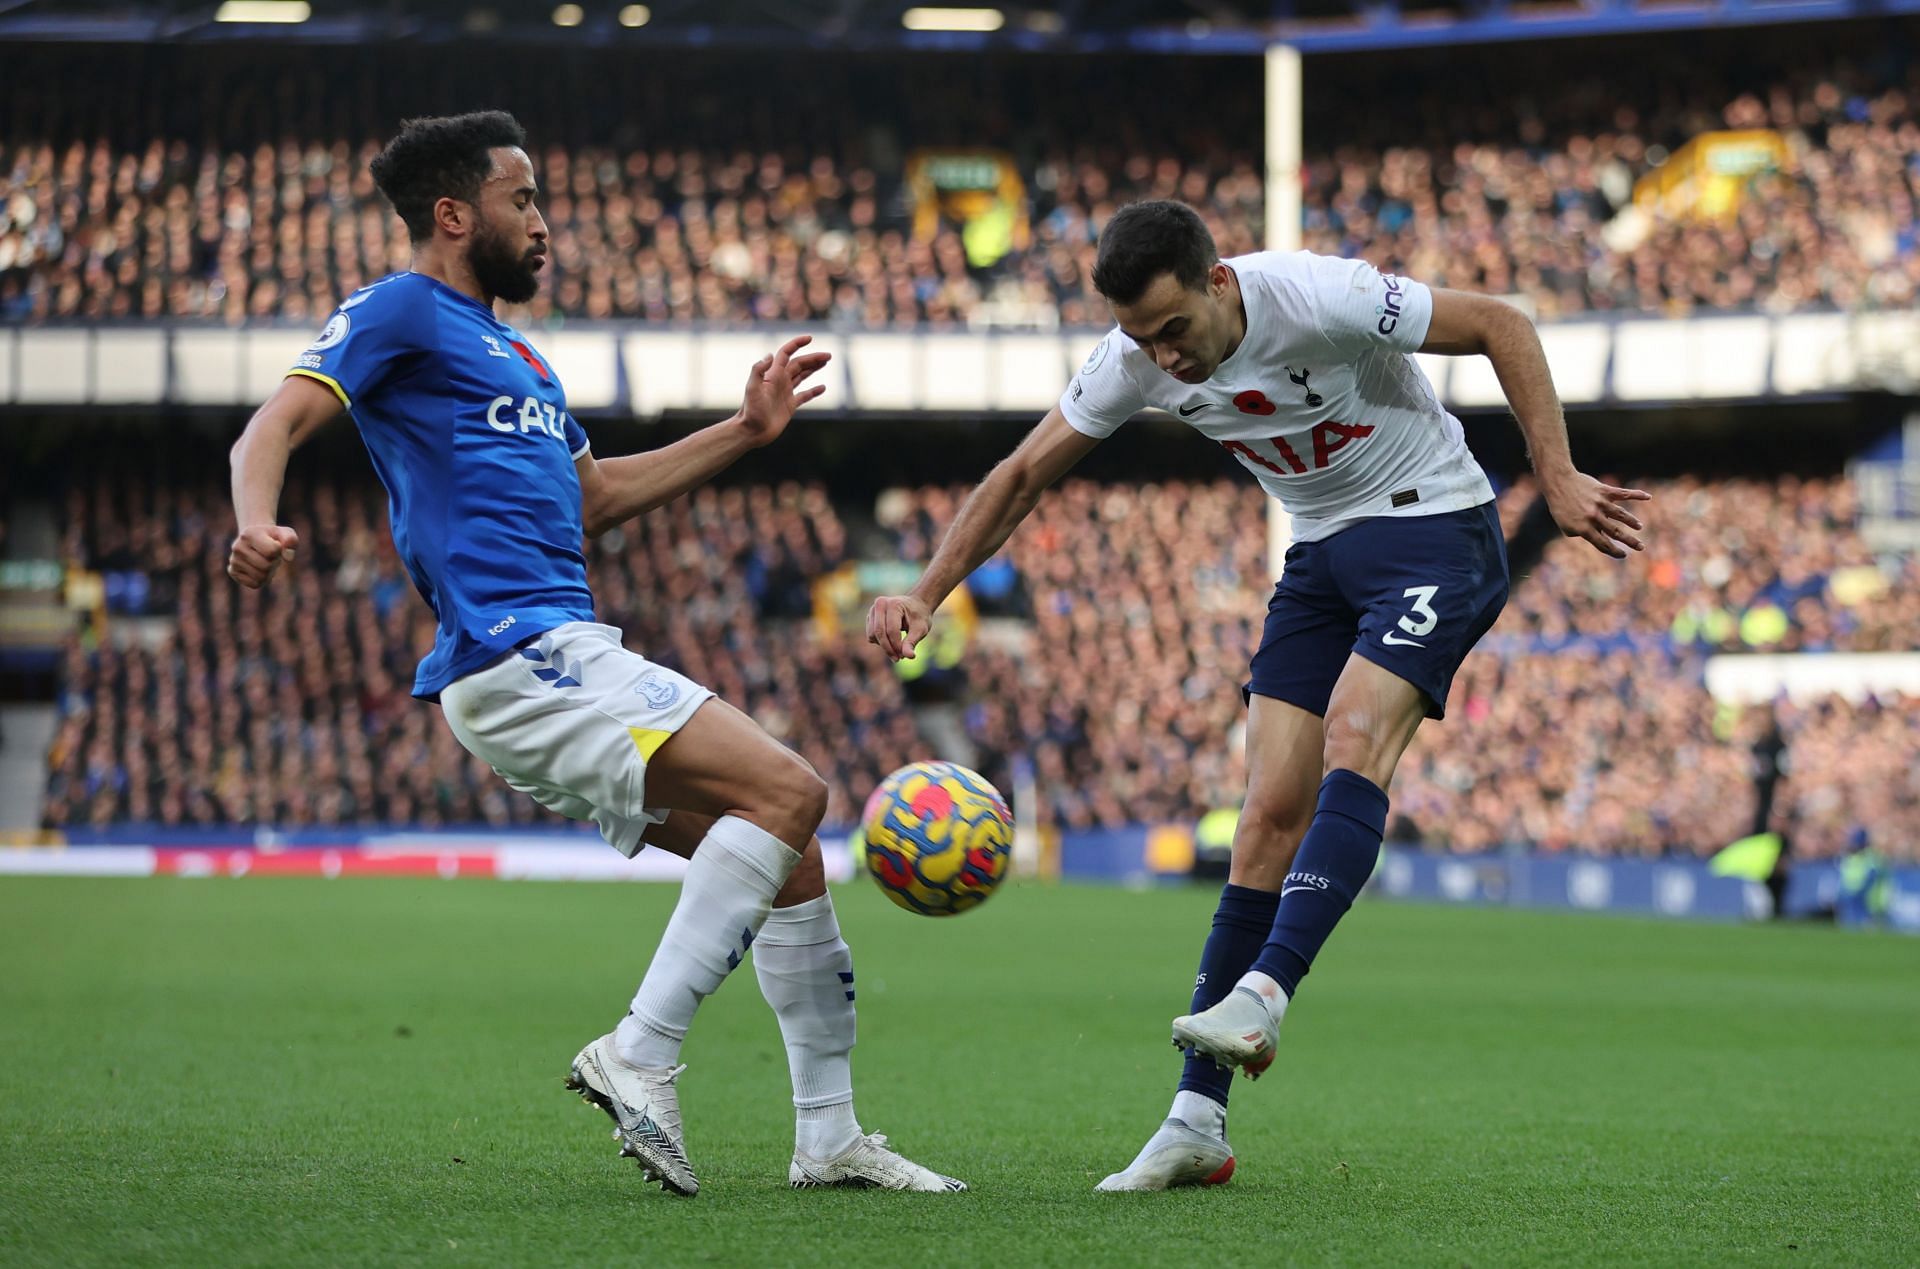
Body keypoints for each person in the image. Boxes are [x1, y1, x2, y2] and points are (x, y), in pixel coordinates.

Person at [227, 111, 963, 1197]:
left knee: (789, 855)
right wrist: (255, 520)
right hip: (521, 650)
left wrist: (744, 433)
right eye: (521, 200)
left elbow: (595, 496)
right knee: (792, 790)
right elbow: (270, 428)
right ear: (452, 214)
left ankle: (828, 1139)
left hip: (550, 653)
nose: (542, 222)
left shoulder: (519, 356)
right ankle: (640, 1050)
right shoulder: (398, 311)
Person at [866, 200, 1648, 1191]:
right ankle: (1196, 1120)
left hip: (1436, 530)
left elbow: (1501, 323)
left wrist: (1559, 475)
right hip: (1321, 557)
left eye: (1174, 328)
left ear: (1218, 283)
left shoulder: (1319, 294)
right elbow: (1023, 474)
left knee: (1357, 735)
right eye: (1141, 337)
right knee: (1265, 818)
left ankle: (1267, 992)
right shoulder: (1135, 356)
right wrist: (927, 590)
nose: (1164, 357)